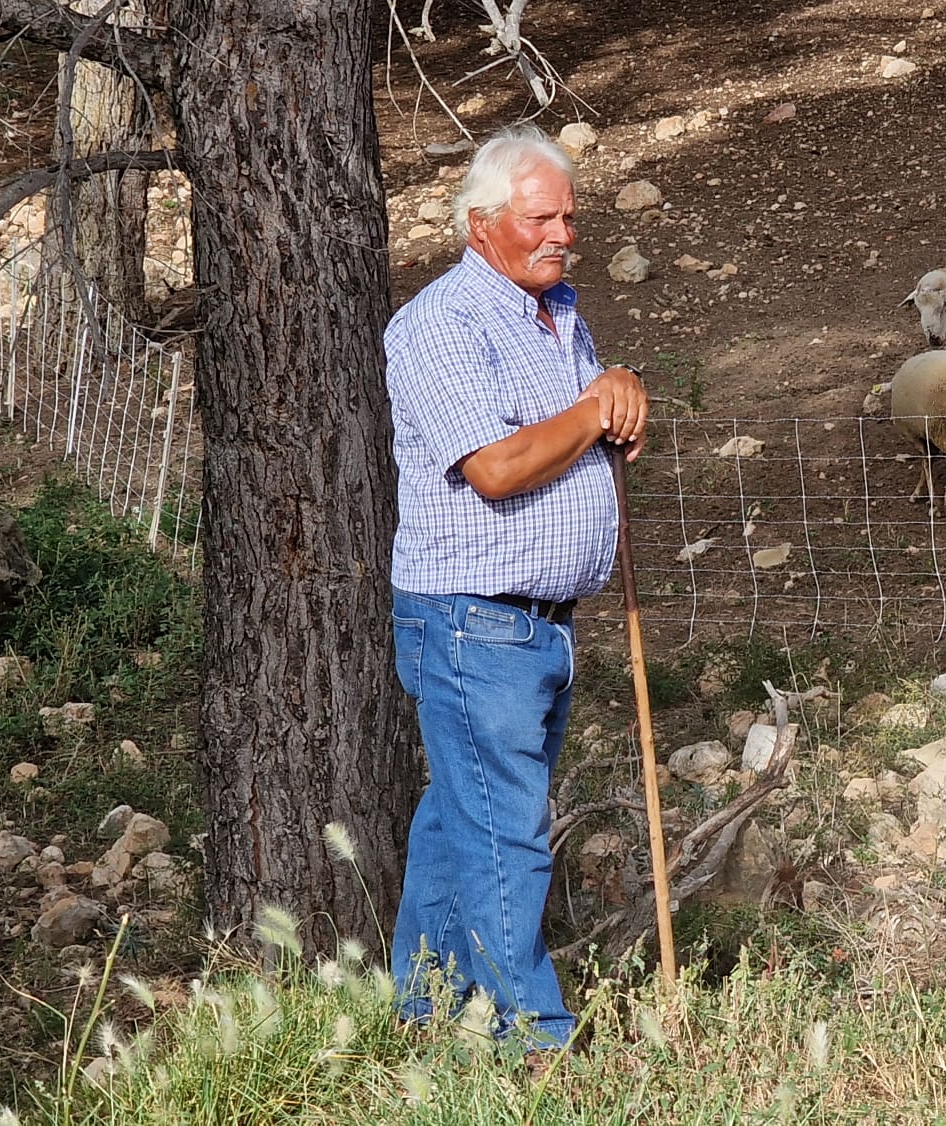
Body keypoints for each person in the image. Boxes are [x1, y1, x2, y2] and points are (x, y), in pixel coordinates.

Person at [383, 123, 648, 1050]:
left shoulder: (559, 313)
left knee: (464, 824)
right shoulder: (442, 324)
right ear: (482, 222)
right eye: (542, 218)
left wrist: (614, 397)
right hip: (471, 622)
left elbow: (582, 426)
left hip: (539, 625)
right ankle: (532, 1043)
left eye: (570, 218)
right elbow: (495, 467)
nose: (561, 234)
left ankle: (421, 1015)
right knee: (507, 834)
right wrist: (590, 408)